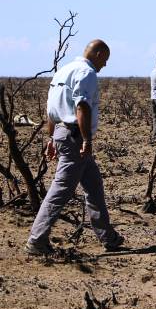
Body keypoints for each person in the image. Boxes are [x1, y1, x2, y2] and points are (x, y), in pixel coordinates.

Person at [26, 40, 124, 255]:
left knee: (94, 186)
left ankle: (108, 237)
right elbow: (82, 106)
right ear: (98, 54)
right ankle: (36, 240)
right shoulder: (87, 73)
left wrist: (52, 138)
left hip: (63, 133)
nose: (105, 64)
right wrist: (86, 140)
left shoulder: (64, 71)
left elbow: (52, 109)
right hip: (75, 138)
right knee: (60, 190)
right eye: (105, 59)